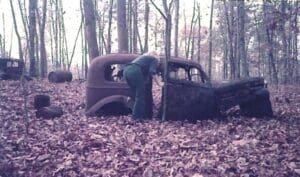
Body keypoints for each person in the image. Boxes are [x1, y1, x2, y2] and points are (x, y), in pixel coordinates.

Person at [123, 51, 161, 121]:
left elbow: (145, 73)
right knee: (140, 96)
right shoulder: (154, 59)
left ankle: (133, 105)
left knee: (135, 94)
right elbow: (152, 71)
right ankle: (137, 117)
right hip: (135, 71)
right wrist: (159, 83)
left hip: (126, 71)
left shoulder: (143, 58)